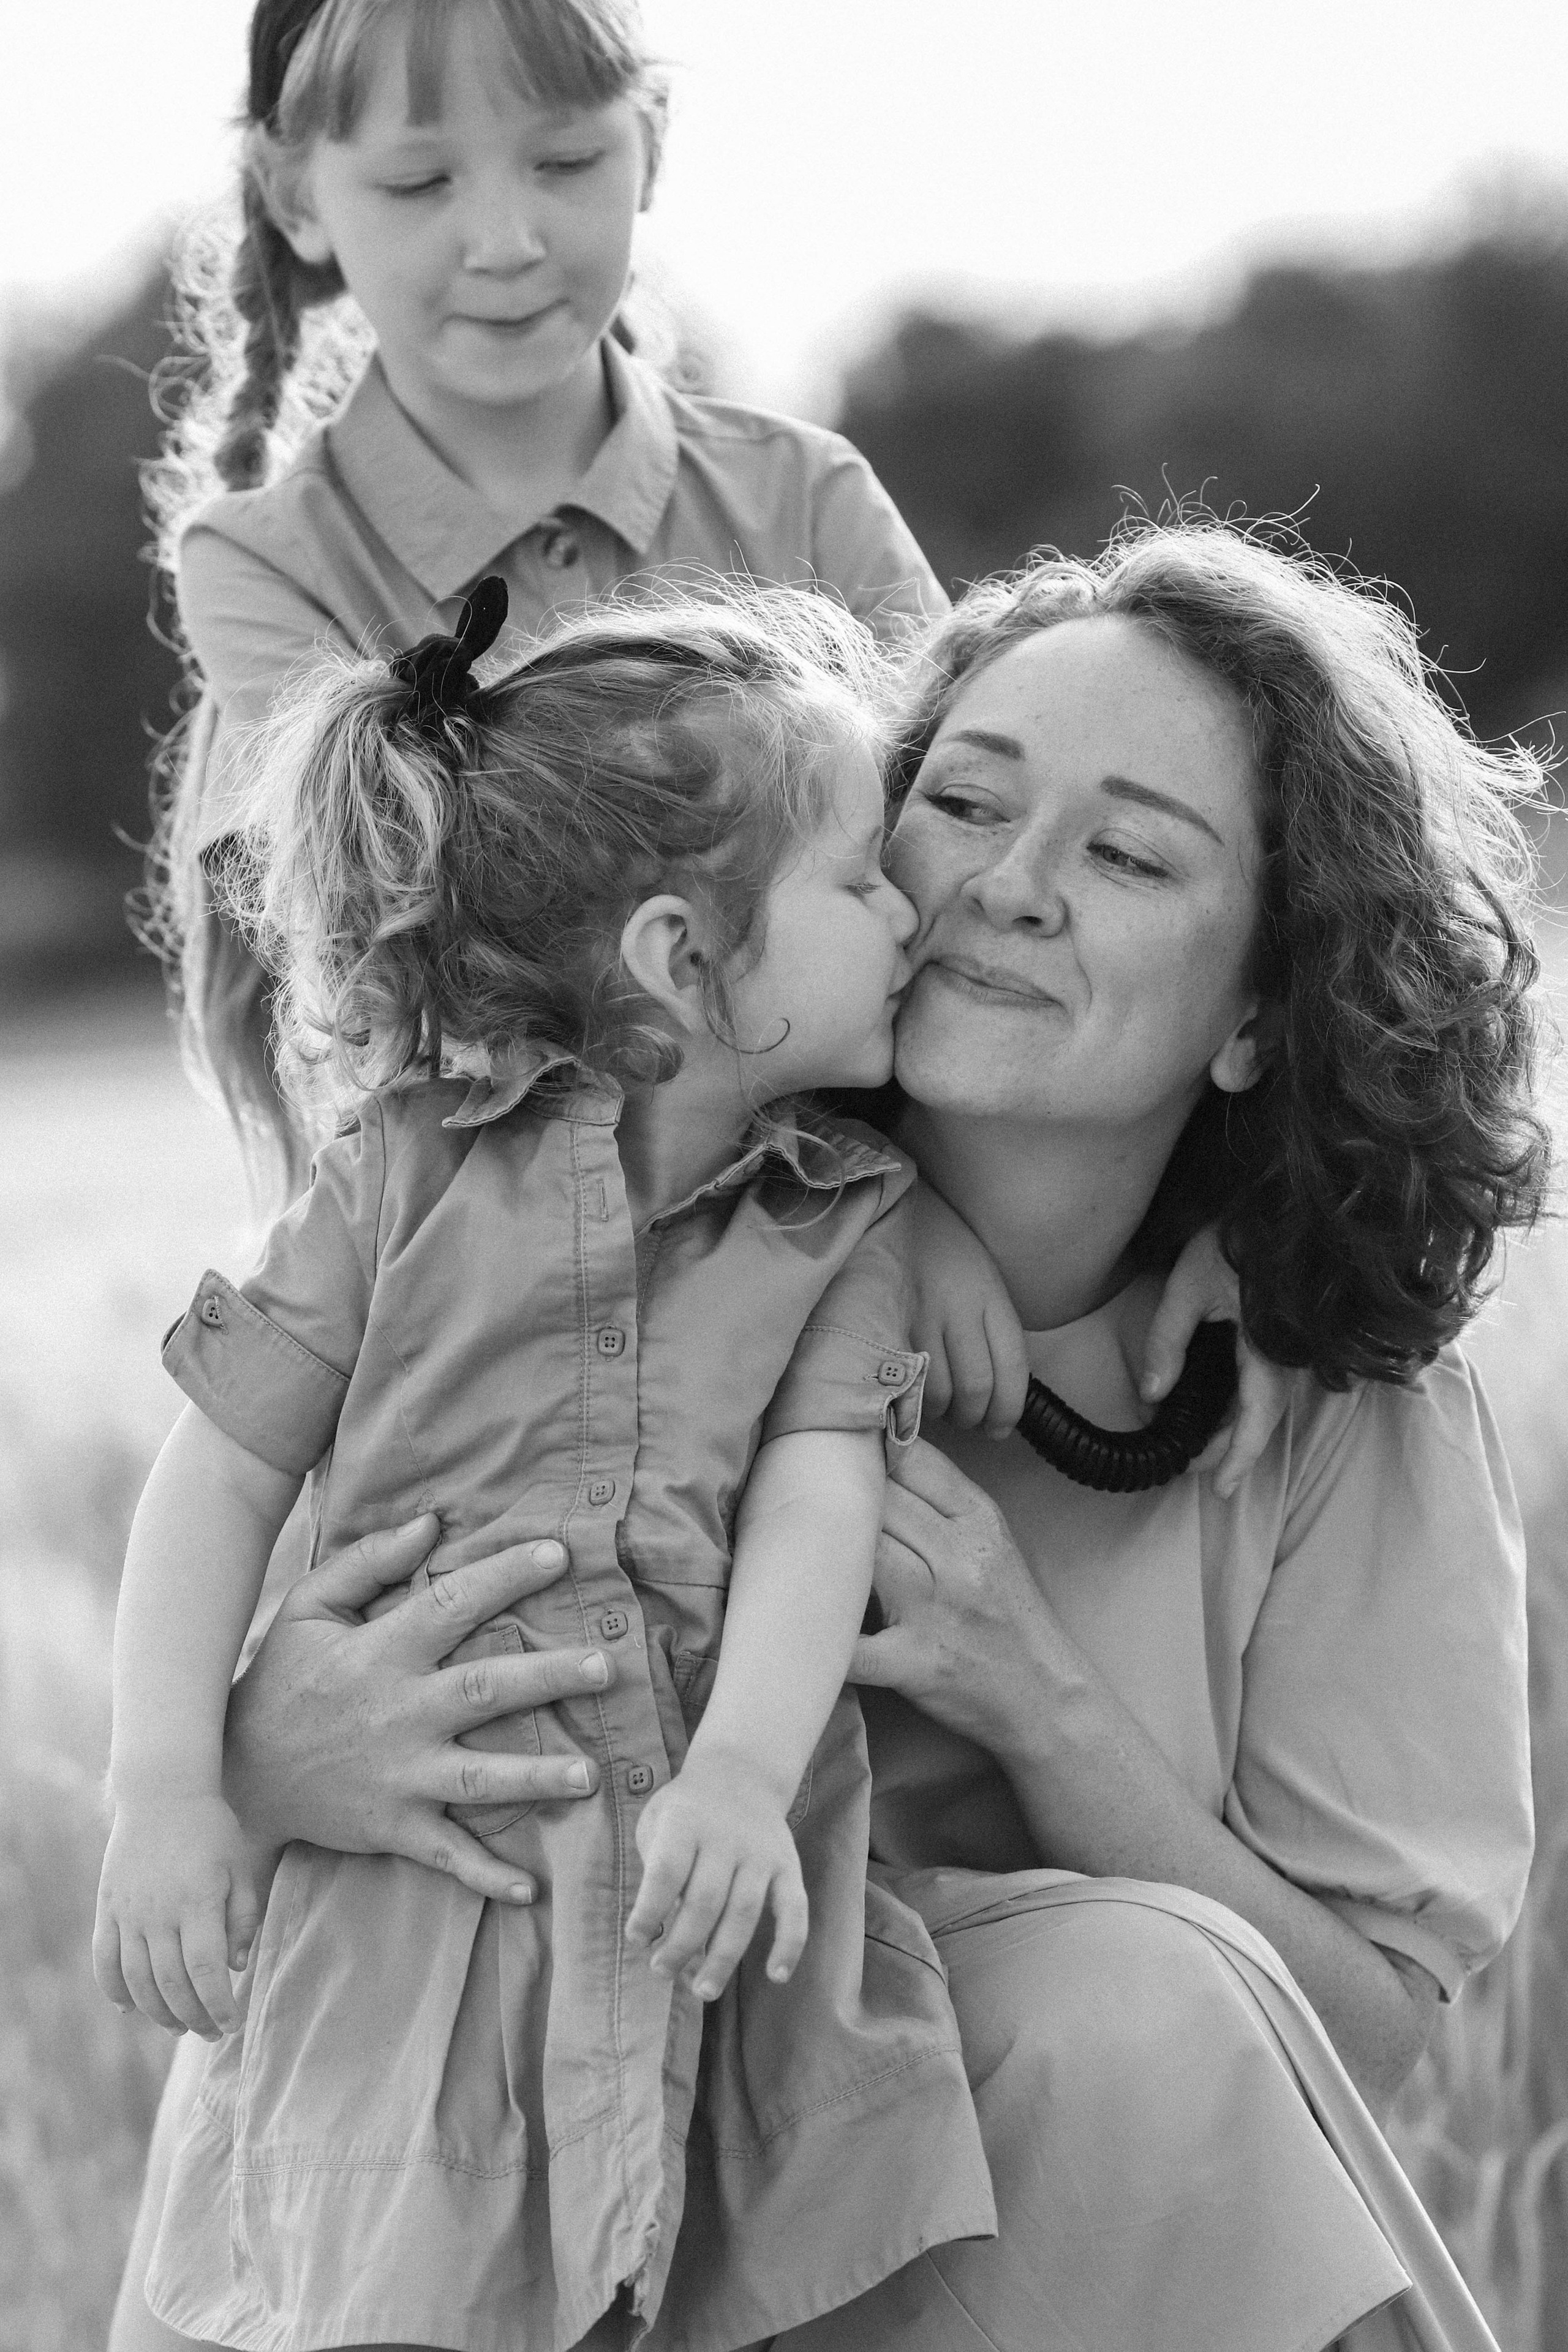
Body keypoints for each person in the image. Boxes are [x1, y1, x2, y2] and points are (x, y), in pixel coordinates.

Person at [116, 521, 1548, 2352]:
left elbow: (1350, 2042)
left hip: (975, 2194)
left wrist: (1035, 1697)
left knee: (1137, 2006)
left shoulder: (1328, 1396)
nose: (1004, 887)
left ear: (1258, 1013)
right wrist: (262, 1752)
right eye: (959, 804)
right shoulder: (581, 1220)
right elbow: (262, 1522)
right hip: (462, 2119)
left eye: (1124, 854)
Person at [98, 584, 999, 2351]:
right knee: (399, 2278)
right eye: (858, 880)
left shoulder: (838, 1220)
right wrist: (164, 1788)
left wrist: (742, 1772)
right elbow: (215, 1481)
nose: (912, 910)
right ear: (681, 955)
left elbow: (816, 1500)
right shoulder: (401, 1180)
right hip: (418, 1908)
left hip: (682, 1887)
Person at [149, 0, 948, 1202]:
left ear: (651, 141)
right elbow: (413, 995)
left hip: (857, 1212)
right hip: (493, 1249)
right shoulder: (264, 564)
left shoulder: (809, 492)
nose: (508, 241)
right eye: (421, 182)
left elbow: (942, 874)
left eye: (566, 161)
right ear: (294, 194)